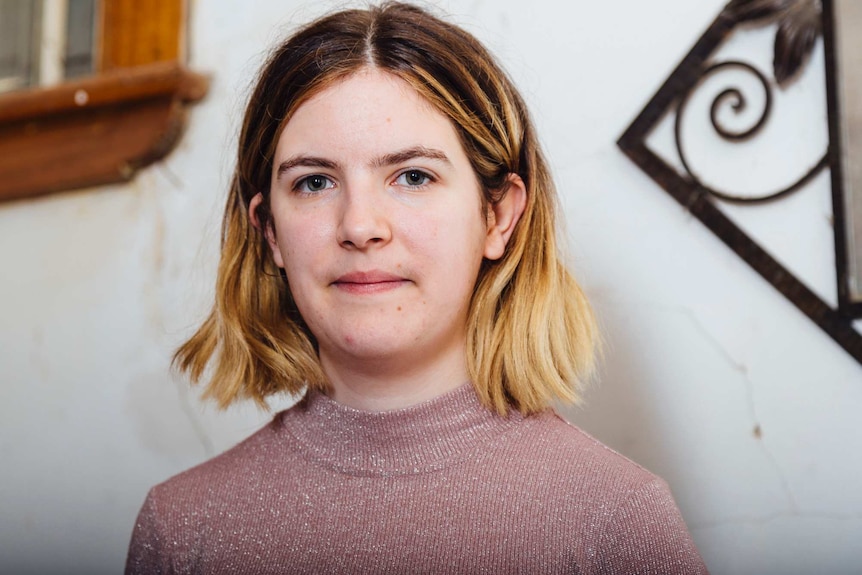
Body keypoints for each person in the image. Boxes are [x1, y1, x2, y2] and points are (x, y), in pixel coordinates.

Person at [126, 2, 709, 573]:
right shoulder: (183, 532)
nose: (359, 226)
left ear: (498, 216)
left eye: (412, 176)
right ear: (270, 231)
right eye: (314, 182)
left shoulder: (617, 521)